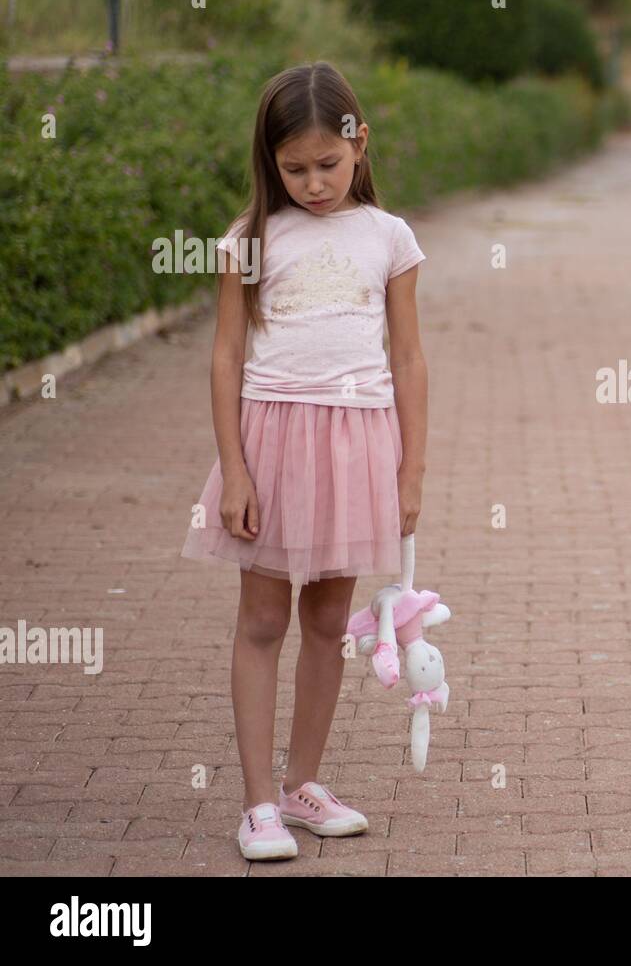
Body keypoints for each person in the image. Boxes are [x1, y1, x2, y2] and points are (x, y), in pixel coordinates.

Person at [181, 61, 429, 861]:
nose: (314, 183)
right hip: (272, 442)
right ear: (270, 161)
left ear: (360, 145)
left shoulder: (389, 238)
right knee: (262, 621)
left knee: (328, 624)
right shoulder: (250, 239)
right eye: (295, 169)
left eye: (328, 163)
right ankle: (258, 805)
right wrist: (236, 468)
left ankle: (304, 786)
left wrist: (411, 471)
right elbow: (225, 359)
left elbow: (410, 359)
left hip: (359, 443)